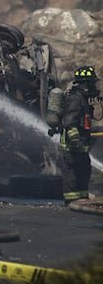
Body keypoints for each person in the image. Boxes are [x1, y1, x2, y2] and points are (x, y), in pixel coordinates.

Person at [51, 65, 98, 204]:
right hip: (72, 147)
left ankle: (82, 199)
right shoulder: (75, 99)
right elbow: (69, 121)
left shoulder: (83, 99)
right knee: (72, 174)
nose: (94, 86)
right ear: (85, 84)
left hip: (81, 147)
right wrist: (76, 141)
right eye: (92, 83)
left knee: (84, 171)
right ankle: (71, 201)